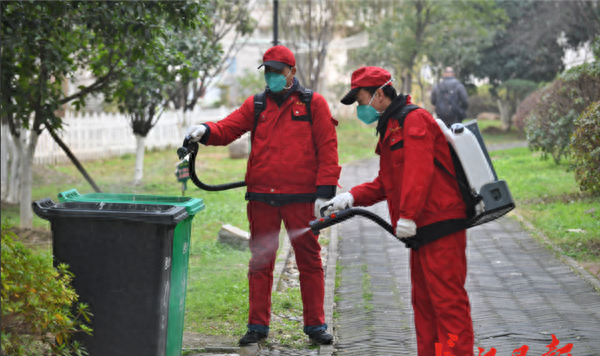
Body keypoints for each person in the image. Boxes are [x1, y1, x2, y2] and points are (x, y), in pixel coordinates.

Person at [186, 45, 340, 346]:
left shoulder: (313, 104)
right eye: (267, 71)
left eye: (277, 71)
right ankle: (257, 326)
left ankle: (315, 325)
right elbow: (227, 129)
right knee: (260, 261)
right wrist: (204, 129)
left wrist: (325, 193)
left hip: (301, 199)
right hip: (262, 199)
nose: (271, 76)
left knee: (309, 261)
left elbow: (327, 148)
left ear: (292, 72)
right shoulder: (256, 105)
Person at [326, 66, 474, 355]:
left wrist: (407, 214)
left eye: (361, 100)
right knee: (424, 302)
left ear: (379, 93)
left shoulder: (414, 119)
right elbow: (387, 182)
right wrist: (351, 197)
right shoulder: (392, 125)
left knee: (447, 302)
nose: (359, 109)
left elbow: (419, 171)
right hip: (421, 228)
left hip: (440, 224)